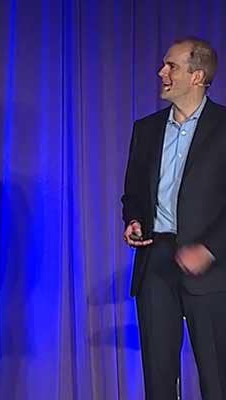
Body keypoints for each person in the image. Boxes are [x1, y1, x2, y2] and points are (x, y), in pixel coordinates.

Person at [122, 37, 226, 399]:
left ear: (197, 76)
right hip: (156, 261)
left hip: (212, 266)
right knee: (158, 379)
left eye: (172, 66)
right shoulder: (146, 129)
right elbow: (133, 194)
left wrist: (210, 249)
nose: (161, 72)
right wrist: (133, 219)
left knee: (217, 379)